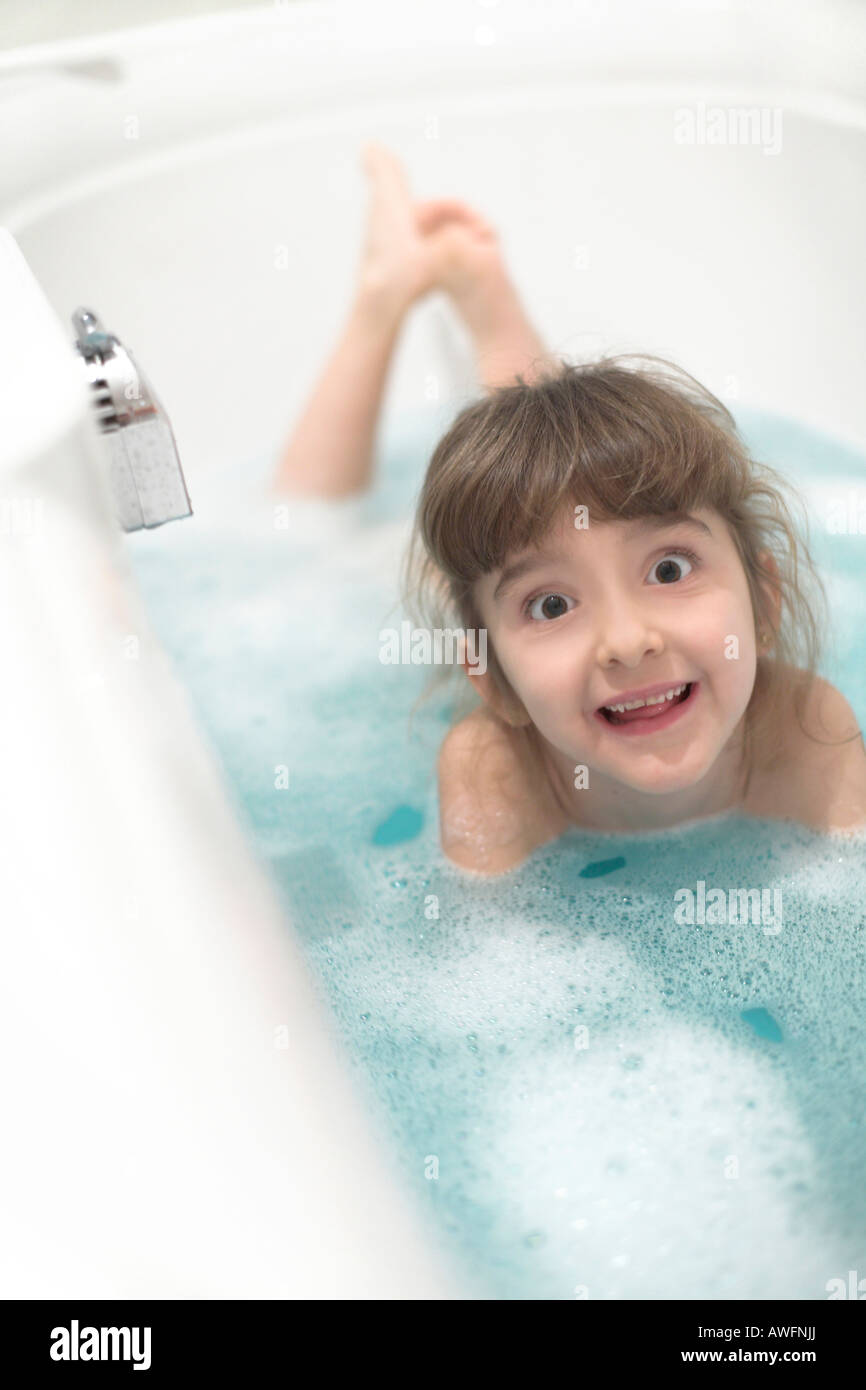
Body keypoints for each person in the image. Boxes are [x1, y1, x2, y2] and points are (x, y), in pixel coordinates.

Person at [274, 144, 866, 875]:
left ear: (766, 601)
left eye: (670, 567)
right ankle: (380, 300)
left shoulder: (804, 733)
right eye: (552, 607)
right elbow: (482, 966)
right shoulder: (497, 772)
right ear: (492, 683)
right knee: (313, 534)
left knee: (548, 493)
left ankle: (485, 294)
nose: (626, 640)